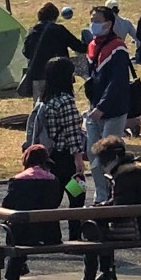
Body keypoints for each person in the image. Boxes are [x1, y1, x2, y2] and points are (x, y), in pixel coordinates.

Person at [77, 136, 141, 280]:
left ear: (114, 159)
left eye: (104, 162)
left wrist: (98, 210)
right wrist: (102, 206)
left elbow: (120, 210)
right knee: (97, 226)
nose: (103, 166)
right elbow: (124, 202)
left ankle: (91, 277)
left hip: (136, 228)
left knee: (92, 229)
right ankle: (106, 273)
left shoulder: (125, 176)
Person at [0, 144, 64, 280]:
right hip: (49, 234)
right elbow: (54, 203)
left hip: (23, 234)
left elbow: (7, 205)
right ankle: (20, 266)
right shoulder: (53, 180)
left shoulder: (18, 180)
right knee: (23, 228)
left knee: (14, 228)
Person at [84, 5, 131, 203]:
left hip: (112, 111)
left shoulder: (118, 47)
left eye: (97, 20)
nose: (93, 24)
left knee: (110, 155)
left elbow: (118, 81)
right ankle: (101, 195)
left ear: (108, 24)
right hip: (94, 110)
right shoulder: (92, 46)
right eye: (92, 20)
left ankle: (117, 194)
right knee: (93, 154)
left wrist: (102, 106)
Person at [24, 56, 88, 193]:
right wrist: (78, 159)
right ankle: (75, 215)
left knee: (54, 194)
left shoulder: (45, 99)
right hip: (67, 157)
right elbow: (72, 133)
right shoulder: (66, 100)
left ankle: (51, 214)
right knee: (77, 195)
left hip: (51, 154)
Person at [22, 2, 86, 99]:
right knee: (62, 102)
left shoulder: (33, 31)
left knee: (40, 105)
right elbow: (78, 47)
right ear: (55, 16)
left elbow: (26, 52)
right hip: (60, 73)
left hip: (38, 73)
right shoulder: (59, 30)